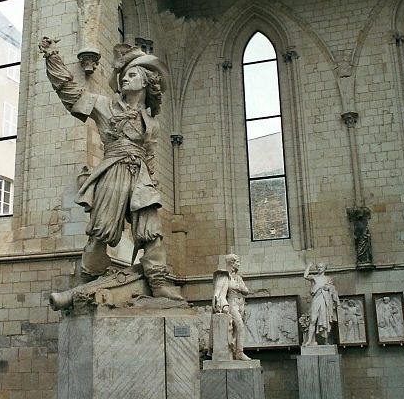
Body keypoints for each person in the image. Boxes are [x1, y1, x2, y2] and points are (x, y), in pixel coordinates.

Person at [41, 38, 182, 300]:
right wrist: (53, 59)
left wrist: (152, 183)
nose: (124, 80)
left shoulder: (151, 124)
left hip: (140, 175)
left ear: (145, 82)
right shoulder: (104, 105)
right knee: (100, 233)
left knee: (151, 233)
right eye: (124, 76)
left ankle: (158, 282)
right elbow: (72, 94)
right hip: (114, 170)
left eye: (131, 75)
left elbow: (149, 156)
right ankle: (85, 283)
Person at [211, 254, 251, 360]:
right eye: (237, 262)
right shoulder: (224, 276)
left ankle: (235, 351)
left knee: (237, 329)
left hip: (240, 305)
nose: (239, 264)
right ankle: (239, 352)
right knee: (240, 326)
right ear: (232, 263)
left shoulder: (238, 277)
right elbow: (218, 292)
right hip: (231, 303)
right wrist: (220, 304)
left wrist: (239, 287)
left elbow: (246, 291)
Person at [303, 263, 339, 345]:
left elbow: (332, 289)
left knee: (325, 319)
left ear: (325, 268)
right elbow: (305, 276)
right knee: (313, 319)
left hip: (324, 299)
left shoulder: (328, 278)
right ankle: (309, 340)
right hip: (316, 299)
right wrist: (308, 267)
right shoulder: (314, 277)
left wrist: (328, 288)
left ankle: (326, 341)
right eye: (318, 267)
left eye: (321, 267)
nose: (319, 268)